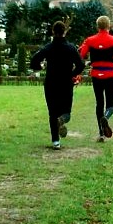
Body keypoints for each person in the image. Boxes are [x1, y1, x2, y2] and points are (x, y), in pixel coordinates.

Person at [30, 21, 85, 150]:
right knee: (66, 112)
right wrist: (72, 74)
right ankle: (62, 119)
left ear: (53, 32)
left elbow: (34, 61)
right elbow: (81, 65)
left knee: (52, 112)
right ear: (65, 31)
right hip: (66, 83)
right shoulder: (71, 48)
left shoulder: (48, 47)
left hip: (51, 83)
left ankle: (55, 141)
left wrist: (40, 67)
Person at [79, 15, 113, 142]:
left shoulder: (89, 40)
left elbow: (81, 55)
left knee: (99, 102)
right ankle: (106, 116)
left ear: (97, 26)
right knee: (110, 104)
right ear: (109, 26)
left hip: (96, 74)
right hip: (110, 74)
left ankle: (101, 132)